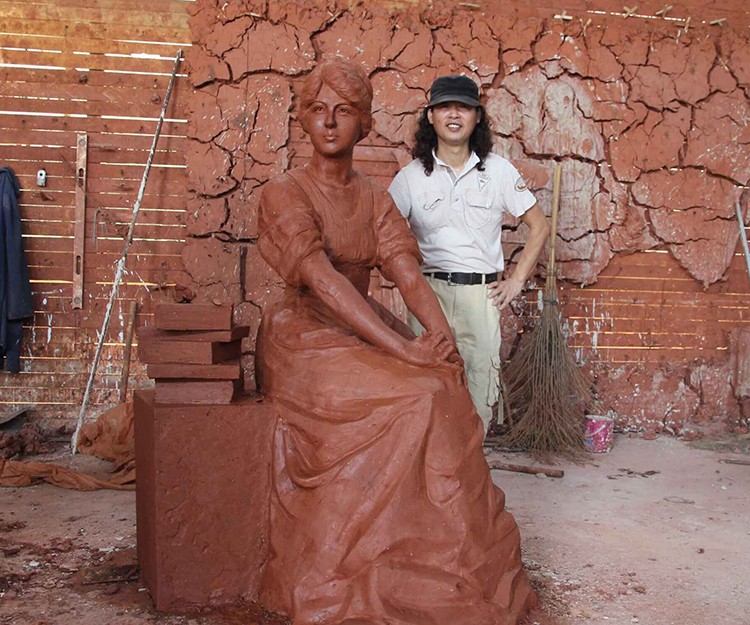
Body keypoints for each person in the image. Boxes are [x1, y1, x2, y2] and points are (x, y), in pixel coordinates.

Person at [255, 58, 535, 625]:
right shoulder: (285, 192)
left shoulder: (374, 198)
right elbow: (324, 282)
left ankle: (450, 556)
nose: (329, 122)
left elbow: (407, 274)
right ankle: (389, 554)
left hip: (357, 325)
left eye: (344, 111)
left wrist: (441, 340)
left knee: (443, 381)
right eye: (318, 110)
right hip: (303, 335)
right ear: (303, 119)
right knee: (417, 393)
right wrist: (401, 347)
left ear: (363, 123)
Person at [388, 75, 550, 435]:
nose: (454, 115)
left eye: (463, 107)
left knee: (480, 382)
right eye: (444, 107)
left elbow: (539, 227)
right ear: (431, 116)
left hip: (481, 296)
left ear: (477, 116)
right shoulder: (410, 178)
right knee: (426, 381)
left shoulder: (499, 171)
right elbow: (384, 234)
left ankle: (473, 460)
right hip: (428, 295)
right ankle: (431, 461)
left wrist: (515, 281)